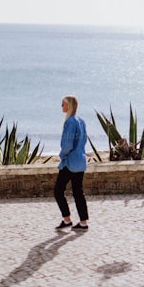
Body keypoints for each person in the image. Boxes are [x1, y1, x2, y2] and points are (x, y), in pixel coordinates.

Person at [54, 95, 89, 231]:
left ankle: (67, 219)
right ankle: (83, 222)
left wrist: (62, 155)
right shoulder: (81, 121)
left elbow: (67, 144)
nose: (61, 106)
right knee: (78, 192)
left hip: (70, 162)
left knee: (58, 191)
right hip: (80, 161)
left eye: (63, 104)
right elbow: (84, 140)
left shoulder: (70, 122)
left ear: (69, 105)